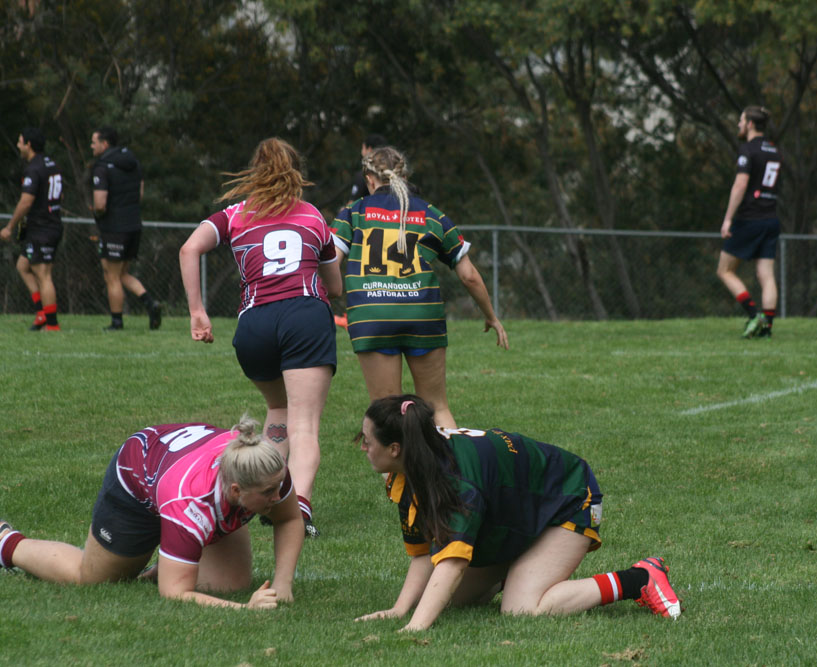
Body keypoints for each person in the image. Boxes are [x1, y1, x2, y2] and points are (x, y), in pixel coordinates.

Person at [353, 395, 682, 631]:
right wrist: (400, 609)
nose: (362, 446)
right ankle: (517, 568)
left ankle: (639, 579)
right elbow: (425, 552)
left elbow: (452, 563)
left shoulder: (457, 481)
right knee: (446, 600)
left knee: (520, 609)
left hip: (568, 499)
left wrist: (415, 628)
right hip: (520, 515)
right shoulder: (413, 465)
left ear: (395, 449)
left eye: (367, 440)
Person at [180, 137, 341, 538]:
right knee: (304, 425)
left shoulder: (234, 215)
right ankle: (298, 509)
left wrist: (197, 310)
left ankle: (263, 494)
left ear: (254, 172)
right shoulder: (312, 216)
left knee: (278, 410)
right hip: (303, 316)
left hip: (254, 323)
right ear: (295, 172)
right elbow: (335, 286)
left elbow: (189, 249)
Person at [0, 415, 304, 610]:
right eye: (268, 493)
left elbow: (291, 518)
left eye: (278, 487)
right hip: (137, 476)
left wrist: (283, 584)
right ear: (236, 491)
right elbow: (174, 593)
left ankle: (172, 560)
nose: (278, 497)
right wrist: (245, 609)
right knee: (93, 579)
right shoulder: (189, 503)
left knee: (229, 585)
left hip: (180, 473)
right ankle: (7, 542)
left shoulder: (268, 470)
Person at [332, 146, 509, 429]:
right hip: (422, 314)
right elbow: (469, 276)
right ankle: (449, 459)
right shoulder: (431, 214)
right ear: (404, 176)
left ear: (369, 180)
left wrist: (326, 294)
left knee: (386, 412)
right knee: (437, 406)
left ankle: (398, 461)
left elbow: (330, 263)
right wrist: (491, 316)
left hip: (373, 315)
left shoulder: (353, 213)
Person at [716, 105, 782, 339]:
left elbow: (741, 184)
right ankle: (767, 328)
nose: (739, 124)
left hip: (750, 218)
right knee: (766, 275)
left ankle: (754, 316)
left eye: (741, 120)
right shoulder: (774, 150)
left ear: (750, 124)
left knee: (724, 270)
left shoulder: (748, 149)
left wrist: (728, 219)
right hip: (771, 218)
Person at [90, 126, 161, 331]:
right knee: (121, 274)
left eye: (94, 142)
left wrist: (98, 214)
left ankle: (116, 322)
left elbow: (100, 204)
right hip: (133, 225)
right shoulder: (133, 162)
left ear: (104, 144)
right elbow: (139, 194)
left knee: (111, 276)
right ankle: (150, 303)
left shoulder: (102, 166)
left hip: (114, 227)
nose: (91, 146)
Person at [0, 127, 62, 331]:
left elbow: (26, 202)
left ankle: (52, 324)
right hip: (48, 225)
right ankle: (41, 313)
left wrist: (10, 226)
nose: (18, 145)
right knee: (23, 266)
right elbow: (59, 195)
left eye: (20, 142)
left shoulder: (34, 169)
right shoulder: (51, 164)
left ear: (29, 145)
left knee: (43, 275)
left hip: (42, 228)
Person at [348, 134, 386, 204]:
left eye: (363, 148)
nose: (362, 152)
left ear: (369, 149)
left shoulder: (363, 175)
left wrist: (344, 209)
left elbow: (351, 205)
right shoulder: (391, 173)